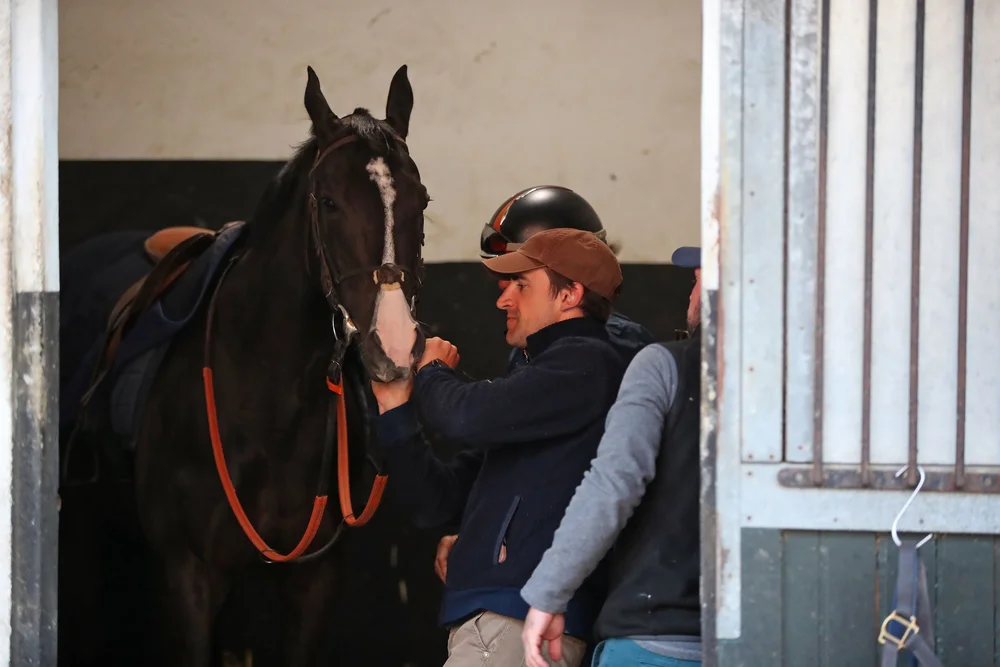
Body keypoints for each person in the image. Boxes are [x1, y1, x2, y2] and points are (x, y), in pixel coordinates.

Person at [370, 227, 629, 667]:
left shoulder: (586, 362)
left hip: (517, 617)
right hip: (495, 619)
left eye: (522, 286)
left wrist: (432, 370)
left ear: (570, 295)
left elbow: (464, 417)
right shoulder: (541, 388)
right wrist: (395, 413)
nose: (503, 300)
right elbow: (435, 503)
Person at [519, 245, 704, 667]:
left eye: (696, 280)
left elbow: (613, 483)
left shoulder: (662, 366)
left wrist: (548, 594)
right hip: (775, 636)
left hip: (655, 638)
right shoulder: (814, 381)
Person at [479, 185, 653, 369]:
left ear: (570, 291)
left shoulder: (608, 349)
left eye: (520, 280)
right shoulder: (529, 345)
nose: (502, 291)